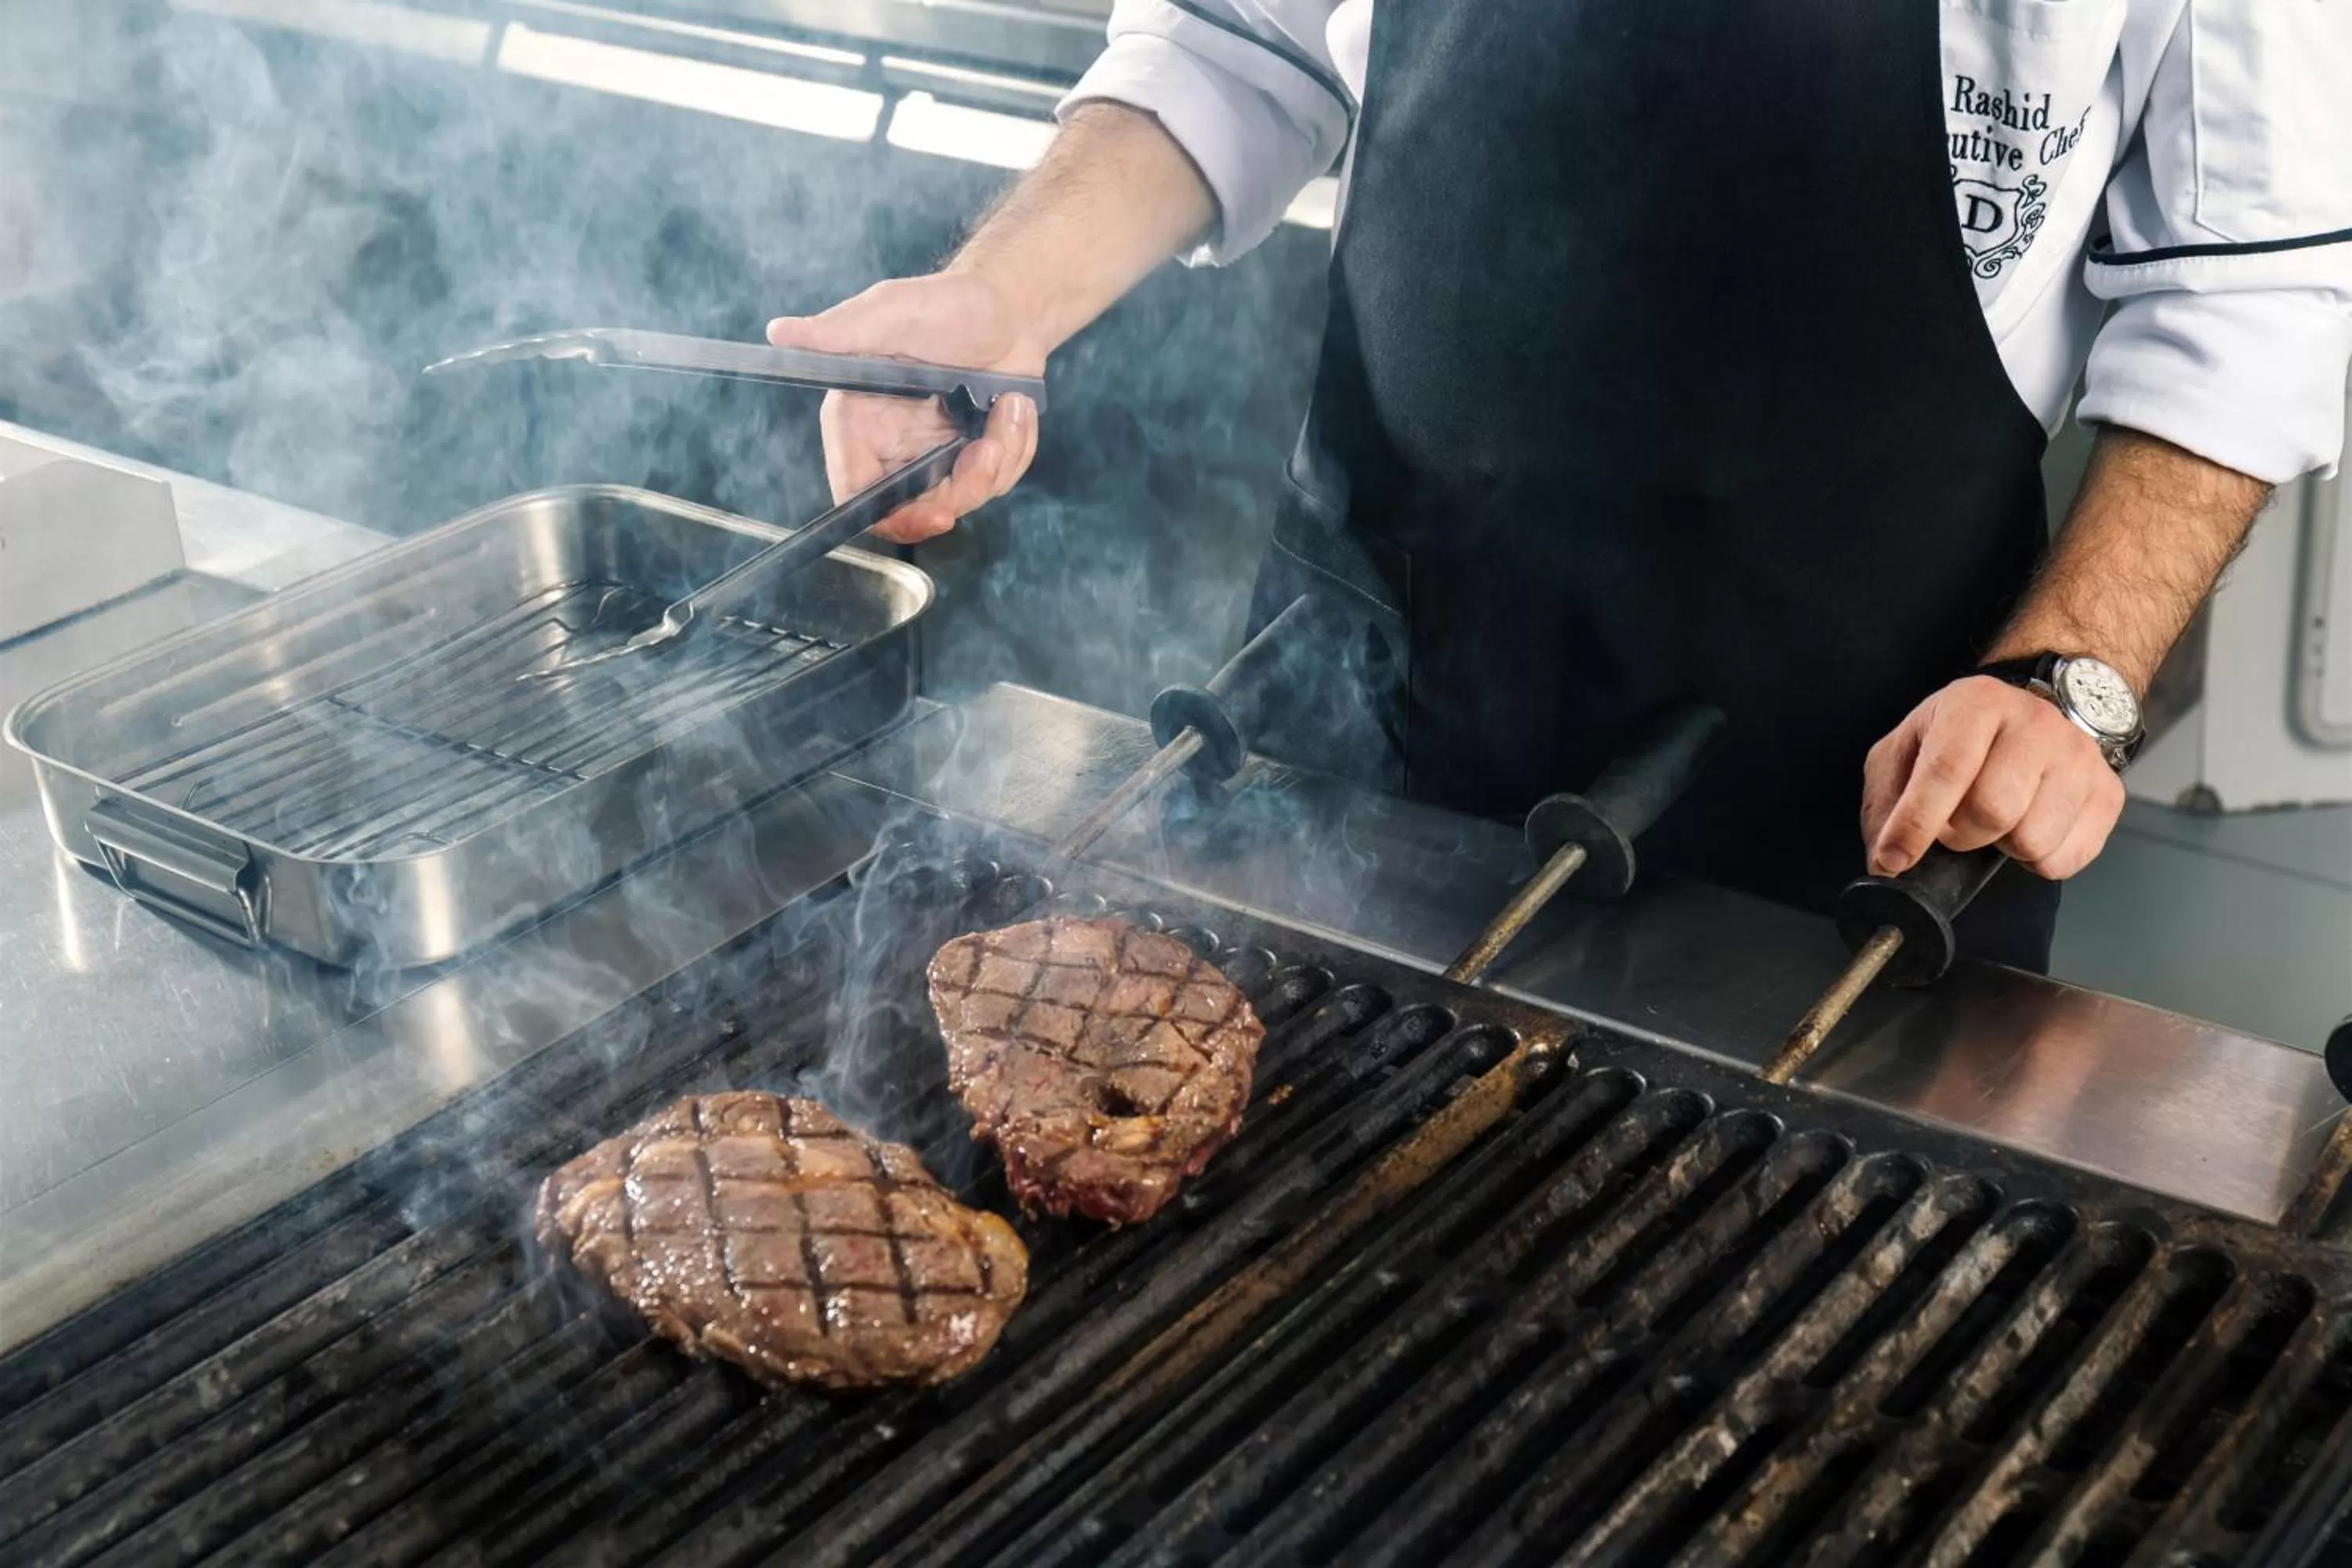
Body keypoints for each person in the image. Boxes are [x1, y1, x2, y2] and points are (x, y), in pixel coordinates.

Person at [770, 0, 2352, 971]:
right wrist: (1008, 294)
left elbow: (2249, 291)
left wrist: (2070, 678)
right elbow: (1230, 43)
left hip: (1856, 807)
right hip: (1361, 704)